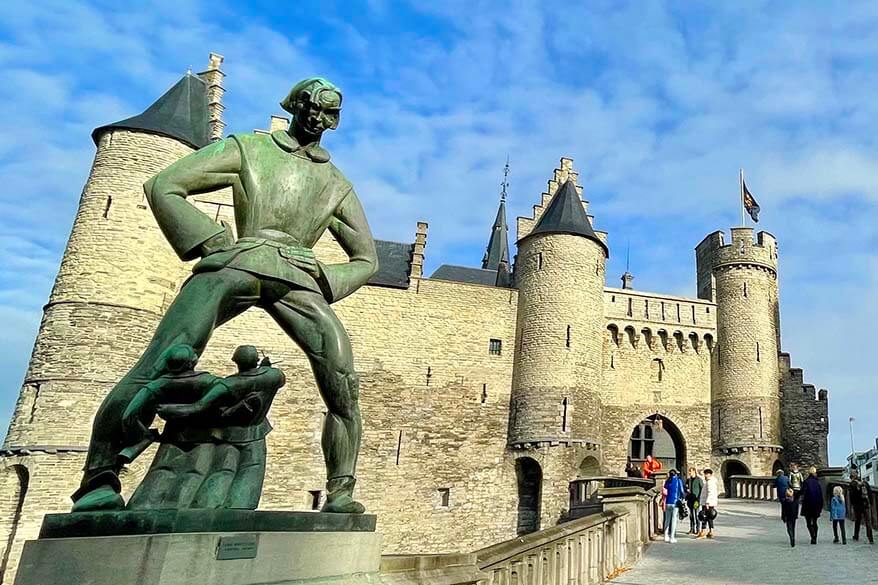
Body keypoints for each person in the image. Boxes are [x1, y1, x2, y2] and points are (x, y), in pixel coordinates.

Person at [71, 78, 379, 514]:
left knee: (343, 380)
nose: (318, 118)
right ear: (295, 105)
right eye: (312, 107)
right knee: (164, 359)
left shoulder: (336, 183)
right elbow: (164, 185)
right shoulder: (248, 149)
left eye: (330, 113)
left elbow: (367, 260)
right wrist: (211, 240)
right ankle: (99, 480)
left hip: (297, 277)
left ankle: (341, 490)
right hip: (238, 260)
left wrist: (327, 276)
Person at [848, 469, 874, 544]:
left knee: (857, 521)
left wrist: (852, 505)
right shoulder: (865, 483)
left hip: (857, 506)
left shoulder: (852, 484)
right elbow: (870, 493)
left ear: (852, 477)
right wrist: (870, 503)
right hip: (866, 505)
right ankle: (870, 538)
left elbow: (851, 497)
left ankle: (856, 536)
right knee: (868, 522)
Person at [800, 466, 823, 544]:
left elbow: (802, 492)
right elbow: (820, 495)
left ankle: (813, 536)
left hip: (807, 505)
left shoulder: (806, 482)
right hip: (816, 505)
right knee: (815, 522)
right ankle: (815, 537)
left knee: (809, 523)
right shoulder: (817, 482)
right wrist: (821, 505)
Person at [662, 469, 686, 544]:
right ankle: (672, 537)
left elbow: (665, 488)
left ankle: (665, 536)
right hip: (675, 502)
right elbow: (682, 491)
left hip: (668, 501)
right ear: (676, 474)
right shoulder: (679, 480)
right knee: (674, 520)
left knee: (667, 519)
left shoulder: (668, 481)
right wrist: (682, 497)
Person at [697, 468, 719, 538]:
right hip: (710, 502)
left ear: (710, 474)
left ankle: (703, 531)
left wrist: (707, 502)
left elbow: (710, 492)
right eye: (705, 474)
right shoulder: (711, 481)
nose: (706, 475)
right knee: (710, 516)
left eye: (707, 474)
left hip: (707, 502)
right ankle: (711, 531)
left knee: (704, 516)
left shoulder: (710, 482)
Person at [685, 467, 703, 534]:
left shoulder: (699, 480)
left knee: (697, 514)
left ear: (694, 472)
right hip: (690, 499)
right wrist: (686, 491)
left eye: (691, 472)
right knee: (691, 515)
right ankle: (692, 529)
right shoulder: (688, 480)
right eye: (689, 472)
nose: (690, 473)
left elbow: (702, 489)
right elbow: (685, 488)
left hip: (696, 499)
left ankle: (698, 529)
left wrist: (699, 498)